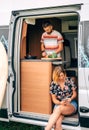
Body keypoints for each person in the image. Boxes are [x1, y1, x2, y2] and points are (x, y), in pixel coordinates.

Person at [45, 66, 78, 130]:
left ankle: (47, 128)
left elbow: (74, 94)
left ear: (64, 73)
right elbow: (54, 100)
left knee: (58, 109)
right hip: (59, 104)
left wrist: (70, 99)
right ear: (56, 76)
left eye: (62, 75)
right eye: (59, 76)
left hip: (70, 103)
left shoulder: (69, 80)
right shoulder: (53, 84)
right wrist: (60, 102)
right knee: (57, 123)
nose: (61, 77)